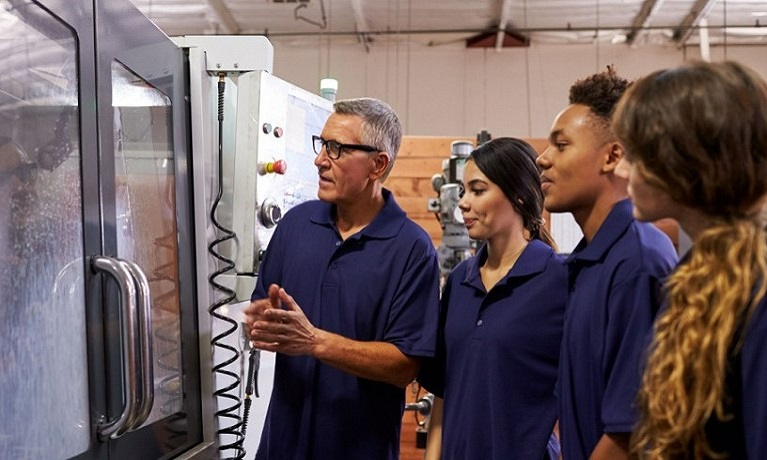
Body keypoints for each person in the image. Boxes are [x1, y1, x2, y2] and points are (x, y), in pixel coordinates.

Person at [243, 97, 441, 460]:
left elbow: (404, 366)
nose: (320, 160)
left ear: (377, 164)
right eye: (321, 145)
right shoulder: (296, 225)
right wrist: (258, 324)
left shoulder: (412, 249)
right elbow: (262, 324)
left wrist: (315, 341)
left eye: (337, 149)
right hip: (279, 448)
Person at [612, 60, 767, 459]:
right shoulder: (698, 272)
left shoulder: (758, 285)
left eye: (637, 154)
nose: (623, 168)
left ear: (687, 161)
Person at [535, 66, 678, 459]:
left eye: (561, 145)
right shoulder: (587, 261)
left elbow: (630, 434)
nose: (543, 160)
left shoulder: (638, 261)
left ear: (612, 156)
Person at [418, 137, 567, 459]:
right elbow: (443, 391)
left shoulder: (560, 279)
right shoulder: (460, 280)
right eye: (462, 190)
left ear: (519, 196)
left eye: (478, 189)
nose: (463, 203)